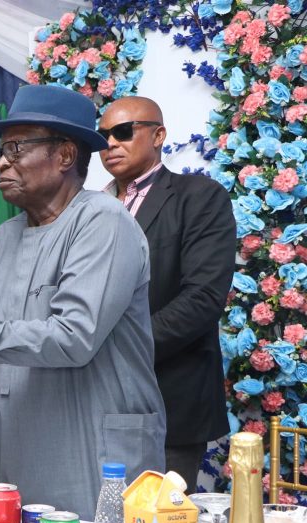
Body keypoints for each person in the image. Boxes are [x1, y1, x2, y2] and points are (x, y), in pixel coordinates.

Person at [0, 85, 165, 521]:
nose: (2, 162)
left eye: (17, 148)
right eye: (0, 151)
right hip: (12, 440)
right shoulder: (5, 237)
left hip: (88, 447)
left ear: (65, 155)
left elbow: (73, 337)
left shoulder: (103, 220)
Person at [98, 96, 235, 489]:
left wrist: (118, 351)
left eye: (124, 132)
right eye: (103, 135)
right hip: (91, 400)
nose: (111, 143)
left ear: (158, 135)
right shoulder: (89, 208)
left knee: (158, 521)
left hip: (168, 399)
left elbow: (203, 298)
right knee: (90, 517)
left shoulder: (199, 196)